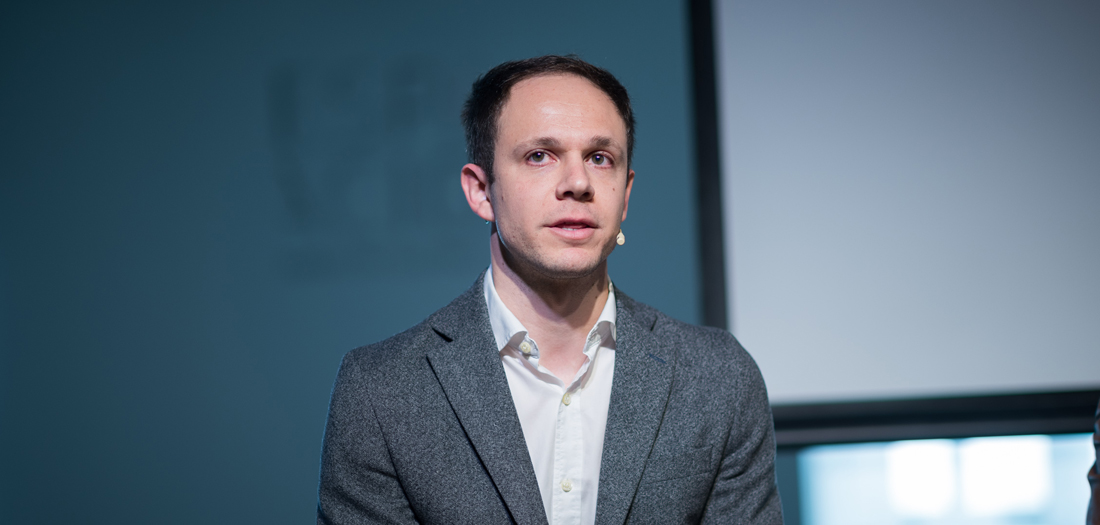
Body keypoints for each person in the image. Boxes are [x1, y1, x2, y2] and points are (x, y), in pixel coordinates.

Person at [317, 55, 782, 524]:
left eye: (600, 158)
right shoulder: (382, 391)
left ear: (625, 195)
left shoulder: (718, 378)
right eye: (539, 155)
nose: (578, 183)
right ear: (480, 191)